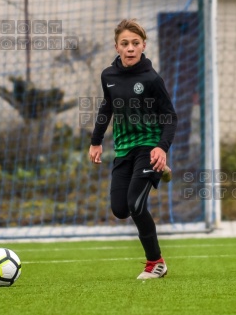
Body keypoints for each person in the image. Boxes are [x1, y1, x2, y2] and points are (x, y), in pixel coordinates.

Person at [89, 19, 177, 279]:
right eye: (125, 43)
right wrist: (96, 140)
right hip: (123, 149)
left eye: (135, 43)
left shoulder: (152, 79)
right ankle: (159, 172)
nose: (130, 48)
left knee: (136, 204)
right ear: (116, 47)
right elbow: (107, 108)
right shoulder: (108, 76)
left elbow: (170, 117)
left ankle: (156, 263)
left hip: (149, 148)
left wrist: (162, 148)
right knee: (120, 209)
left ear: (143, 46)